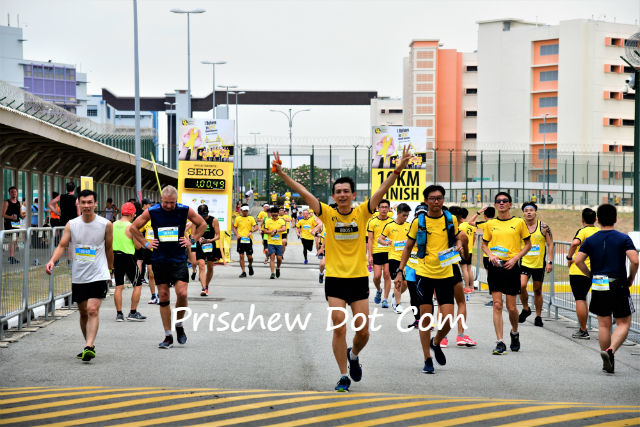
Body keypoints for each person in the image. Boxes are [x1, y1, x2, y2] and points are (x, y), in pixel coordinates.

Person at [272, 146, 412, 392]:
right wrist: (282, 174)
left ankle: (353, 355)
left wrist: (398, 169)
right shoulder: (326, 213)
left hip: (357, 279)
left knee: (363, 332)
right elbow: (304, 192)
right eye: (338, 192)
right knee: (339, 324)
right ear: (334, 196)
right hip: (335, 279)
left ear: (353, 194)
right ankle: (343, 375)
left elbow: (382, 189)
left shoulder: (362, 213)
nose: (342, 194)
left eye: (346, 191)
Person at [394, 186, 468, 374]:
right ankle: (427, 359)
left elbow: (458, 237)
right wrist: (400, 271)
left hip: (445, 274)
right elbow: (408, 247)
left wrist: (459, 245)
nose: (436, 201)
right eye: (432, 198)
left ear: (443, 199)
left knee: (448, 320)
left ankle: (436, 342)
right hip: (424, 274)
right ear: (426, 201)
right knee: (426, 319)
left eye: (439, 198)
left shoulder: (450, 219)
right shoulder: (418, 222)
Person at [130, 185, 206, 349]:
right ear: (161, 200)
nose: (169, 206)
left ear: (176, 200)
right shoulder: (152, 211)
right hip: (160, 260)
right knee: (164, 296)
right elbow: (133, 227)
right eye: (166, 202)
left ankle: (179, 325)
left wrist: (192, 240)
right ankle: (168, 335)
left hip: (178, 259)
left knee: (182, 293)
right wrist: (146, 243)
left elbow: (202, 224)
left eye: (172, 202)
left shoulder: (184, 210)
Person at [45, 189, 113, 362]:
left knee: (92, 309)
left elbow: (109, 248)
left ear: (95, 203)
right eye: (83, 202)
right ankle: (89, 344)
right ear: (79, 204)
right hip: (79, 275)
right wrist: (52, 260)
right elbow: (62, 245)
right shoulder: (72, 224)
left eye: (90, 202)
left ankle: (88, 346)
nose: (87, 206)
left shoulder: (105, 224)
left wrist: (110, 270)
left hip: (98, 273)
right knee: (83, 312)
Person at [574, 204, 638, 373]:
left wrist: (590, 274)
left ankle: (608, 360)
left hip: (598, 283)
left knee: (603, 325)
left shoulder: (591, 240)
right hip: (618, 283)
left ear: (597, 220)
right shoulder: (623, 238)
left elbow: (578, 260)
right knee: (623, 322)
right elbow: (635, 260)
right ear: (616, 219)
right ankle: (610, 351)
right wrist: (631, 277)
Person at [481, 192, 531, 355]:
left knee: (511, 307)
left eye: (505, 201)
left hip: (511, 267)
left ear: (510, 204)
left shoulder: (519, 222)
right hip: (496, 267)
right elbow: (484, 245)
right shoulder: (490, 224)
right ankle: (500, 341)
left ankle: (514, 332)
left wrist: (515, 258)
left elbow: (528, 244)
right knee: (497, 304)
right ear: (495, 205)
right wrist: (491, 256)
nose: (501, 203)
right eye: (498, 201)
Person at [518, 202, 554, 327]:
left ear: (535, 212)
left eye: (531, 210)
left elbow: (550, 244)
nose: (528, 212)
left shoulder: (543, 227)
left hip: (539, 264)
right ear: (523, 213)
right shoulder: (520, 226)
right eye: (526, 210)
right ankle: (526, 308)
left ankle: (538, 316)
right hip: (524, 262)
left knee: (537, 290)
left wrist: (550, 261)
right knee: (521, 285)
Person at [567, 208, 599, 339]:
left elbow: (575, 243)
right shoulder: (599, 231)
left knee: (580, 299)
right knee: (586, 299)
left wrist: (569, 258)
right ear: (596, 219)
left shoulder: (583, 231)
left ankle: (583, 330)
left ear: (582, 220)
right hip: (594, 270)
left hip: (579, 270)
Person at [112, 202, 146, 322]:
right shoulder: (131, 227)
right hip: (128, 257)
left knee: (119, 286)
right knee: (137, 284)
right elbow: (137, 246)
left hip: (115, 256)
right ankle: (133, 312)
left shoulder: (113, 225)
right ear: (132, 214)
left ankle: (119, 314)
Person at [379, 203, 411, 314]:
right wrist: (386, 242)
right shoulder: (389, 226)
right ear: (398, 213)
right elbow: (380, 239)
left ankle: (395, 296)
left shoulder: (409, 226)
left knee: (406, 284)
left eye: (407, 215)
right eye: (404, 215)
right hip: (394, 257)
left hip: (406, 258)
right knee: (398, 281)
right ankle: (397, 304)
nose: (406, 217)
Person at [368, 200, 394, 308]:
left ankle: (385, 299)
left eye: (386, 207)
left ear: (389, 209)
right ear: (378, 208)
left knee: (387, 275)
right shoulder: (372, 222)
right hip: (377, 251)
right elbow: (370, 239)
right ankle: (379, 290)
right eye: (382, 207)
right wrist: (370, 256)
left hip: (389, 252)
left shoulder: (392, 221)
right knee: (377, 276)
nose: (384, 209)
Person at [470, 206, 496, 306]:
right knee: (497, 277)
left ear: (485, 216)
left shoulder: (485, 224)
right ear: (494, 215)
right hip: (498, 254)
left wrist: (478, 212)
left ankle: (494, 298)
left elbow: (470, 222)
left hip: (487, 255)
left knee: (490, 278)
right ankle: (497, 298)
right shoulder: (498, 223)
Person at [195, 204, 220, 296]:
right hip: (200, 245)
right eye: (202, 216)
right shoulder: (196, 220)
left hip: (210, 245)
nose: (203, 218)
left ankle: (206, 285)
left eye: (205, 216)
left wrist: (210, 240)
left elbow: (218, 236)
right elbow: (193, 234)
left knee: (210, 267)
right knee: (201, 265)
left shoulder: (214, 220)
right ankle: (203, 288)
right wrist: (198, 238)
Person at [234, 204, 258, 278]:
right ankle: (243, 271)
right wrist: (237, 234)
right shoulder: (238, 218)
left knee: (250, 257)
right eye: (244, 211)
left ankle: (250, 265)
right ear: (241, 210)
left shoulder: (251, 218)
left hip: (248, 239)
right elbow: (234, 227)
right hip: (240, 239)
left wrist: (251, 231)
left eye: (247, 211)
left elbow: (256, 227)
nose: (245, 212)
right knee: (241, 256)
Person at [2, 186, 25, 264]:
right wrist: (11, 217)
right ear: (9, 193)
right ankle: (11, 257)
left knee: (15, 240)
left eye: (15, 192)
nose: (14, 193)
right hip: (9, 223)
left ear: (17, 193)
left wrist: (23, 216)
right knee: (12, 240)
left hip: (16, 223)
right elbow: (3, 214)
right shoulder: (7, 202)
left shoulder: (19, 203)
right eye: (12, 192)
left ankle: (12, 256)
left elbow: (20, 214)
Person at [262, 206, 286, 279]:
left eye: (276, 215)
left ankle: (277, 268)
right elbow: (265, 231)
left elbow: (284, 228)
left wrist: (276, 231)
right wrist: (271, 232)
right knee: (272, 256)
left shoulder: (281, 221)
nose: (274, 217)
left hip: (279, 243)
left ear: (278, 214)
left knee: (279, 258)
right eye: (273, 215)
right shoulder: (268, 221)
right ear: (271, 214)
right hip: (271, 242)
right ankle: (272, 273)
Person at [457, 208, 476, 293]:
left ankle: (467, 287)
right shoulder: (471, 225)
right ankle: (472, 287)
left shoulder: (460, 226)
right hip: (470, 250)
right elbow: (474, 237)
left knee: (464, 269)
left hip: (463, 250)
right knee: (469, 269)